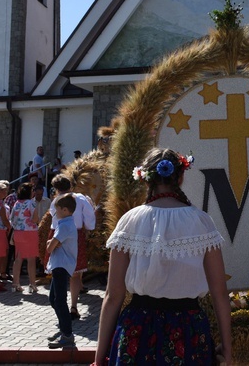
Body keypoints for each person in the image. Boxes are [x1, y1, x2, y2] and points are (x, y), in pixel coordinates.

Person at [94, 148, 232, 365]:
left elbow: (113, 296)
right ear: (181, 177)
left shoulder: (129, 221)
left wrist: (99, 358)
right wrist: (228, 348)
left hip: (137, 330)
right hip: (188, 329)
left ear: (145, 179)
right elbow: (220, 294)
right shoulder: (202, 221)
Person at [49, 174, 95, 320]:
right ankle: (73, 306)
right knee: (75, 273)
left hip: (59, 235)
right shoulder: (80, 198)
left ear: (56, 188)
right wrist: (88, 227)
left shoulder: (56, 201)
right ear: (70, 185)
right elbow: (89, 216)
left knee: (60, 269)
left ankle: (60, 305)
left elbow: (53, 219)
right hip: (76, 234)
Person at [46, 193, 78, 349]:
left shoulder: (65, 225)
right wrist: (52, 243)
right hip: (59, 265)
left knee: (59, 300)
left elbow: (50, 246)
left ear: (65, 210)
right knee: (53, 299)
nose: (55, 212)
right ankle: (64, 327)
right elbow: (54, 243)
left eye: (57, 209)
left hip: (62, 265)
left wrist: (51, 244)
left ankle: (67, 334)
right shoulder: (64, 223)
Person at [9, 182, 41, 293]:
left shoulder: (17, 203)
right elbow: (35, 219)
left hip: (18, 232)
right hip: (30, 232)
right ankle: (32, 284)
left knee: (18, 258)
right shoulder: (31, 203)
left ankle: (15, 283)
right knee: (31, 259)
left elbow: (12, 219)